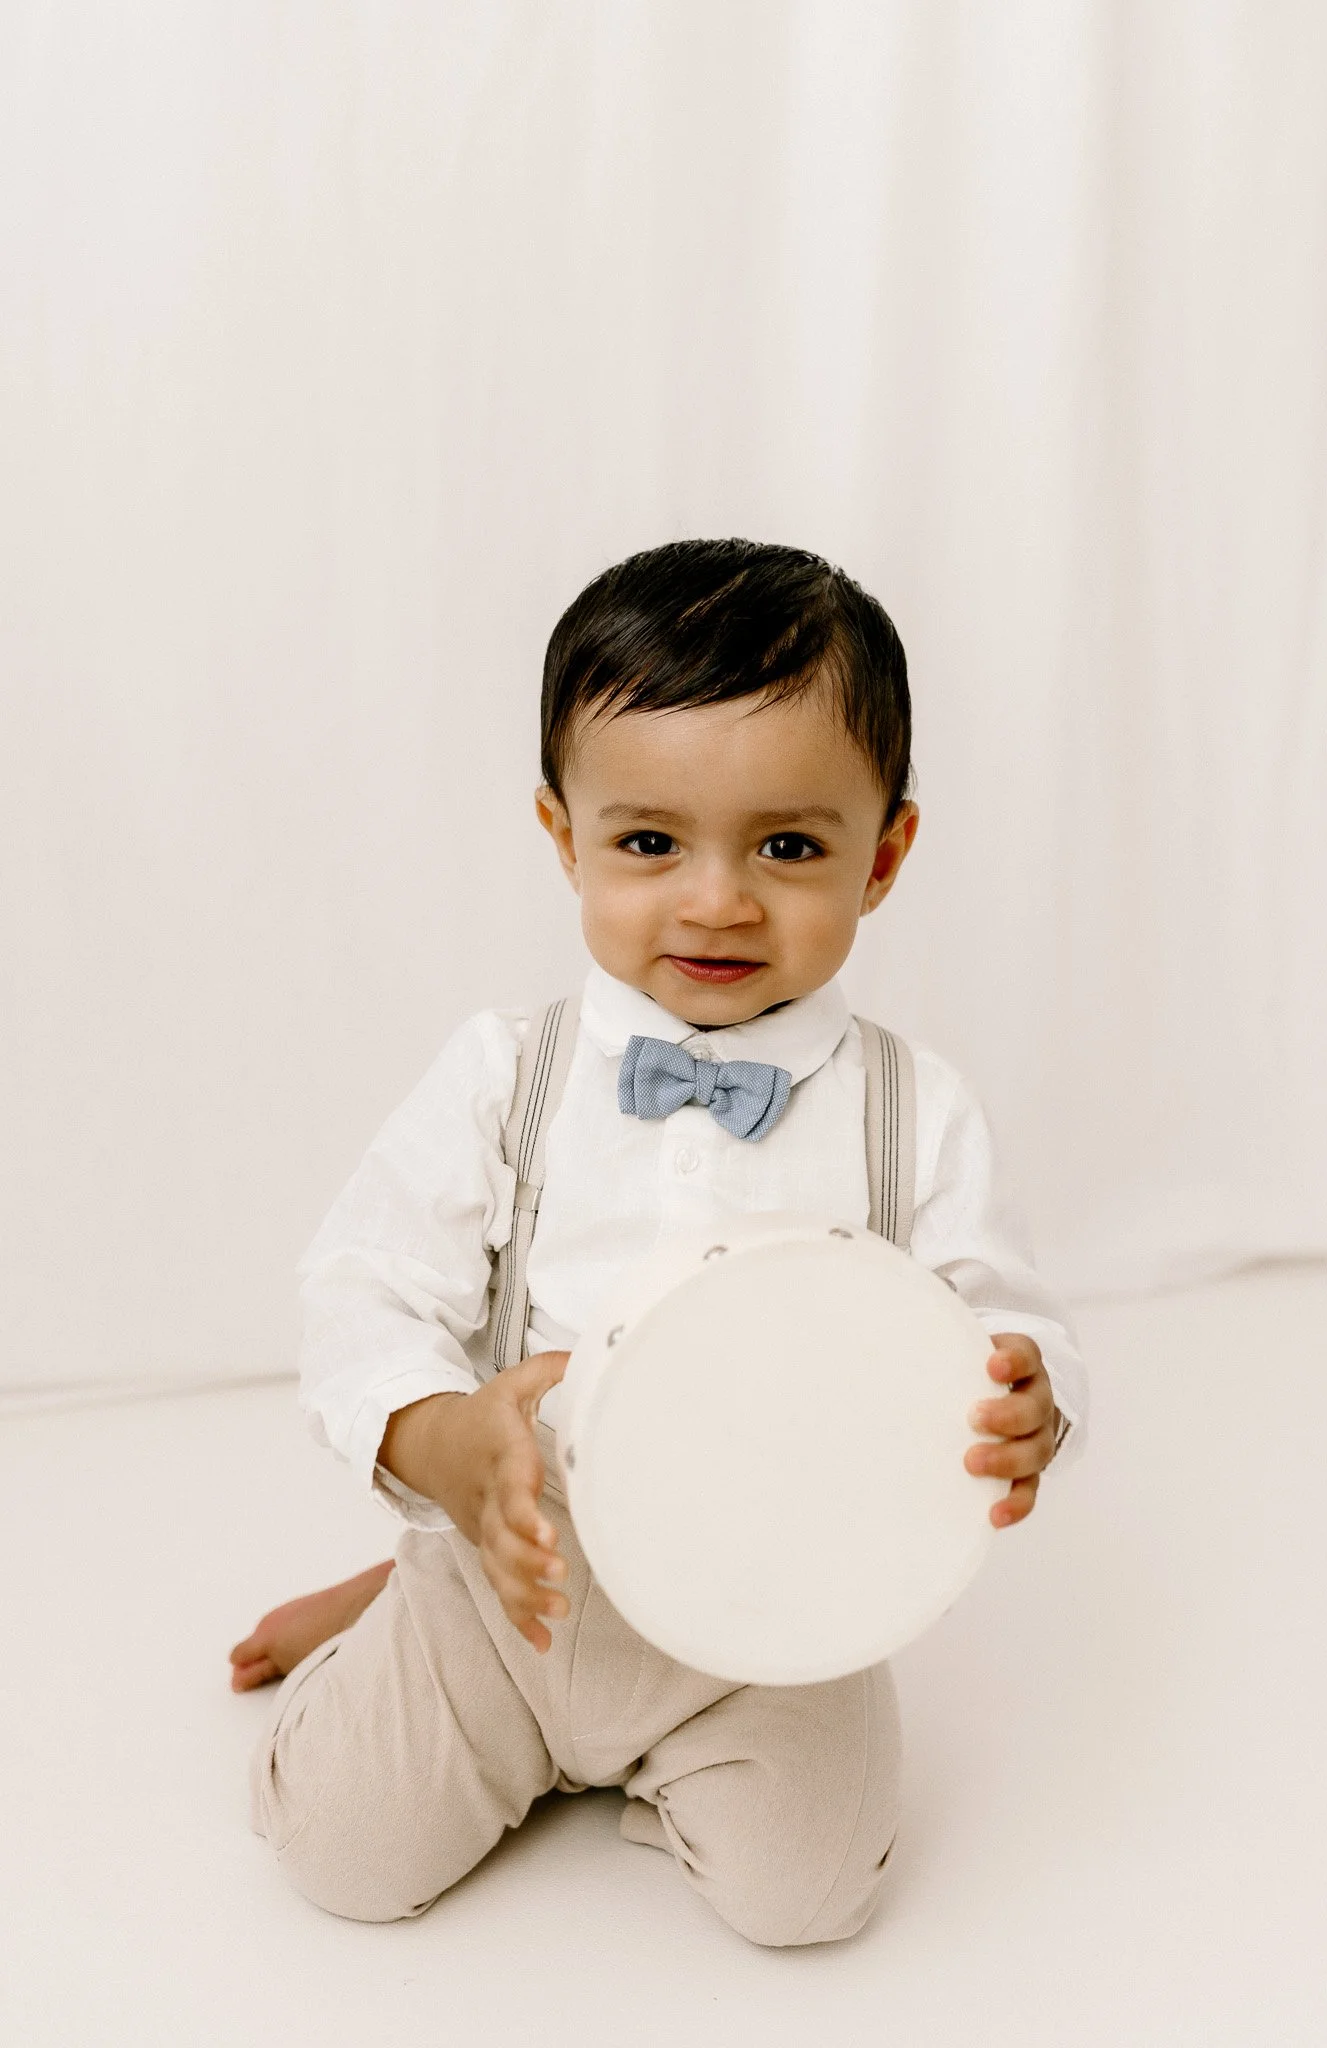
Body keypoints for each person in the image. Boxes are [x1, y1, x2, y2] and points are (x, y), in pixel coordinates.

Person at [239, 539, 1087, 1945]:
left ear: (883, 855)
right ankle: (394, 1610)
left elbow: (997, 1307)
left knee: (809, 1903)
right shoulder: (505, 1077)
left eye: (789, 846)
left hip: (773, 1595)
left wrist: (1027, 1394)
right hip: (518, 1557)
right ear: (562, 835)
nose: (716, 900)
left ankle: (646, 1753)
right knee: (342, 1861)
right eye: (648, 843)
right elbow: (361, 1281)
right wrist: (436, 1438)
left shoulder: (910, 1109)